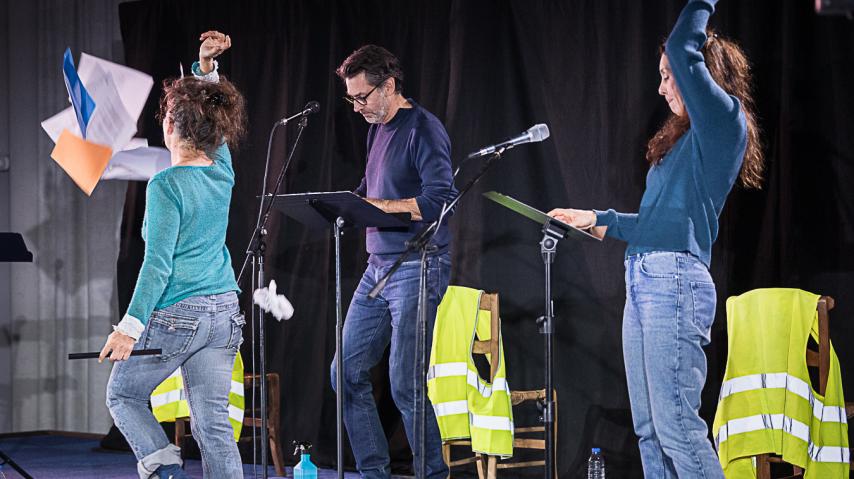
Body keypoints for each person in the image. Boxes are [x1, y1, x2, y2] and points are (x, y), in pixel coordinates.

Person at [548, 1, 764, 477]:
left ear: (700, 75)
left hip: (675, 282)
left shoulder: (723, 122)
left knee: (678, 428)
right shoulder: (682, 142)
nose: (663, 86)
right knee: (648, 429)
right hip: (644, 278)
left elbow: (686, 44)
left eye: (669, 76)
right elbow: (655, 222)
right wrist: (594, 218)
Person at [100, 31, 247, 479]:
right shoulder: (221, 170)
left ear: (171, 127)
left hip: (181, 314)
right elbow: (215, 131)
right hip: (224, 312)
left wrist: (129, 328)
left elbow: (157, 265)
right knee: (213, 425)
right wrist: (206, 69)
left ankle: (165, 471)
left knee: (123, 397)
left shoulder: (165, 184)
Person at [331, 44, 457, 479]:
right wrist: (345, 206)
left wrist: (379, 206)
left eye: (362, 97)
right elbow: (369, 188)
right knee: (344, 373)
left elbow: (441, 199)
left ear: (388, 86)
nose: (357, 107)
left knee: (406, 383)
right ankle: (374, 473)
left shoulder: (423, 128)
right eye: (351, 99)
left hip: (418, 265)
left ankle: (432, 475)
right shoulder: (376, 129)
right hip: (378, 268)